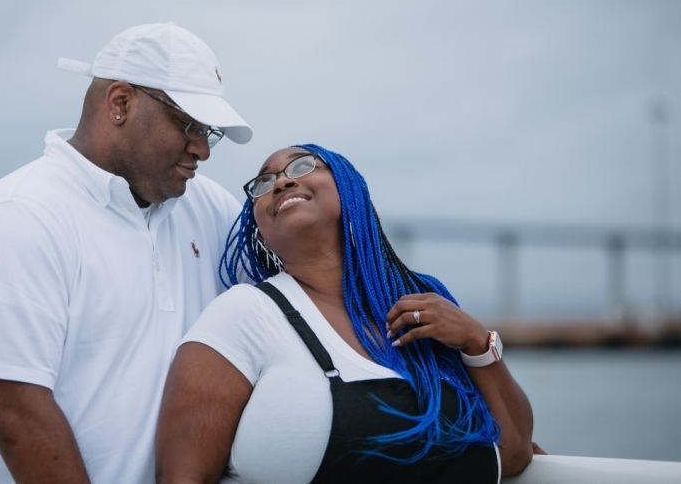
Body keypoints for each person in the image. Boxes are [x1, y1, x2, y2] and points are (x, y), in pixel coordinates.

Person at [0, 22, 252, 484]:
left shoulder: (211, 209)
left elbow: (299, 297)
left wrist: (395, 306)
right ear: (120, 103)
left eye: (210, 131)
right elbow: (14, 411)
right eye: (189, 124)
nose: (202, 149)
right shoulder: (20, 214)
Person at [156, 144, 536, 483]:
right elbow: (183, 476)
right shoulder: (245, 313)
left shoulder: (426, 305)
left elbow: (514, 452)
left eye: (303, 166)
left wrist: (475, 341)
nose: (283, 182)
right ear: (259, 230)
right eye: (264, 181)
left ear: (349, 188)